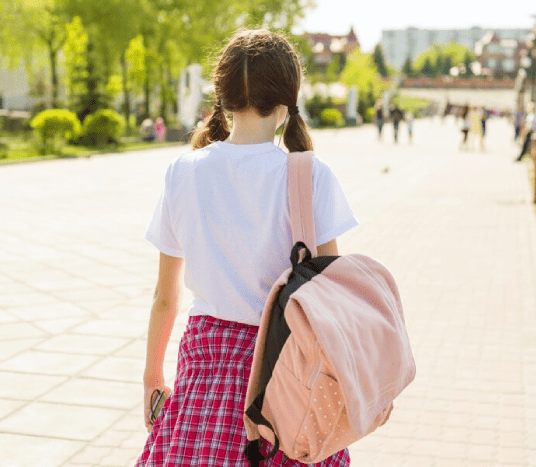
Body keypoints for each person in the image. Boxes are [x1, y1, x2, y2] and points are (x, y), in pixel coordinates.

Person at [136, 29, 356, 467]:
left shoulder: (183, 171)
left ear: (223, 96)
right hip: (285, 368)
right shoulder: (310, 176)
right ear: (287, 101)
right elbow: (333, 293)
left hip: (205, 366)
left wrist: (152, 374)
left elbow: (165, 296)